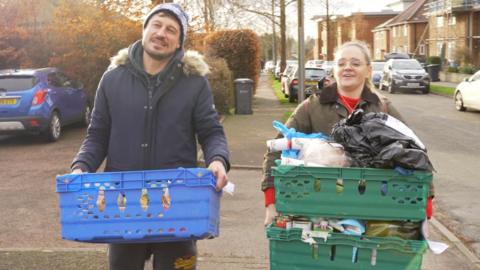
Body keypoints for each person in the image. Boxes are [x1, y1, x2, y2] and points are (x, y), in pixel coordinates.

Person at [70, 3, 230, 270]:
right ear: (144, 30)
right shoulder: (112, 80)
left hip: (178, 204)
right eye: (156, 25)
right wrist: (80, 167)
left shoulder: (194, 82)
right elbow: (97, 135)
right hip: (124, 204)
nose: (161, 33)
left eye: (171, 30)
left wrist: (218, 160)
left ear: (179, 42)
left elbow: (211, 130)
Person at [261, 40, 433, 225]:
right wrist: (271, 203)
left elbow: (416, 154)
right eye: (341, 63)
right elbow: (276, 150)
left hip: (373, 212)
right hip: (318, 210)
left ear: (368, 69)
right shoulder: (312, 107)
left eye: (355, 63)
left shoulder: (383, 109)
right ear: (334, 69)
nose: (347, 68)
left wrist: (426, 207)